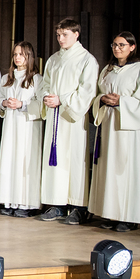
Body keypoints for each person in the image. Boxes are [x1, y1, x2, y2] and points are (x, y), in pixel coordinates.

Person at [87, 32, 140, 231]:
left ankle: (129, 217)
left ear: (132, 47)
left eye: (122, 45)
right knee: (110, 169)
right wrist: (101, 100)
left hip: (129, 129)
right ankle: (111, 214)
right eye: (114, 45)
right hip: (109, 125)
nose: (117, 48)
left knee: (126, 171)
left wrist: (122, 102)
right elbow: (98, 95)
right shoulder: (107, 70)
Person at [38, 18, 98, 224]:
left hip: (72, 119)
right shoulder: (53, 59)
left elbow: (87, 91)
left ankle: (78, 207)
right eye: (58, 35)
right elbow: (45, 84)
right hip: (54, 116)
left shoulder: (87, 60)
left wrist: (62, 99)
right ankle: (57, 204)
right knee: (55, 161)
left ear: (76, 34)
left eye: (64, 34)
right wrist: (46, 96)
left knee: (73, 161)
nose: (60, 38)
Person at [0, 42, 44, 217]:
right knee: (10, 160)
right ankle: (9, 201)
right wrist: (4, 103)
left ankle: (27, 204)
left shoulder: (37, 79)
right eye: (15, 54)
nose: (17, 58)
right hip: (10, 125)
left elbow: (41, 104)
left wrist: (22, 104)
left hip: (27, 127)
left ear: (29, 57)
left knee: (25, 162)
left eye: (21, 54)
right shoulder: (6, 78)